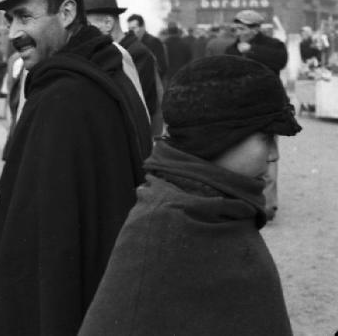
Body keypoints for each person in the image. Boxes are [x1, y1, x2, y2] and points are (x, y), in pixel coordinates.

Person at [0, 0, 152, 335]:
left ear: (68, 12)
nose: (14, 33)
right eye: (9, 19)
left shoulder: (60, 99)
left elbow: (33, 243)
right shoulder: (110, 68)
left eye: (24, 16)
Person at [79, 55, 301, 336]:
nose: (274, 155)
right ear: (220, 136)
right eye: (267, 138)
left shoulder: (222, 206)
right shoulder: (164, 225)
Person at [225, 9, 288, 219]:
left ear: (255, 29)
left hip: (268, 110)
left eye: (242, 29)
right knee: (240, 157)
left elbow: (279, 61)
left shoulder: (273, 46)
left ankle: (268, 206)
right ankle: (245, 203)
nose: (238, 33)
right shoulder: (230, 49)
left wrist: (250, 51)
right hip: (240, 110)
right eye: (236, 29)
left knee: (268, 157)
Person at [83, 0, 162, 136]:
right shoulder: (110, 52)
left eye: (87, 24)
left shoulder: (137, 54)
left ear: (108, 23)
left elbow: (132, 104)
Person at [127, 13, 168, 81]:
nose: (130, 32)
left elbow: (162, 67)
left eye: (133, 28)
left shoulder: (154, 42)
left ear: (142, 27)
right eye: (129, 29)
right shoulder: (130, 43)